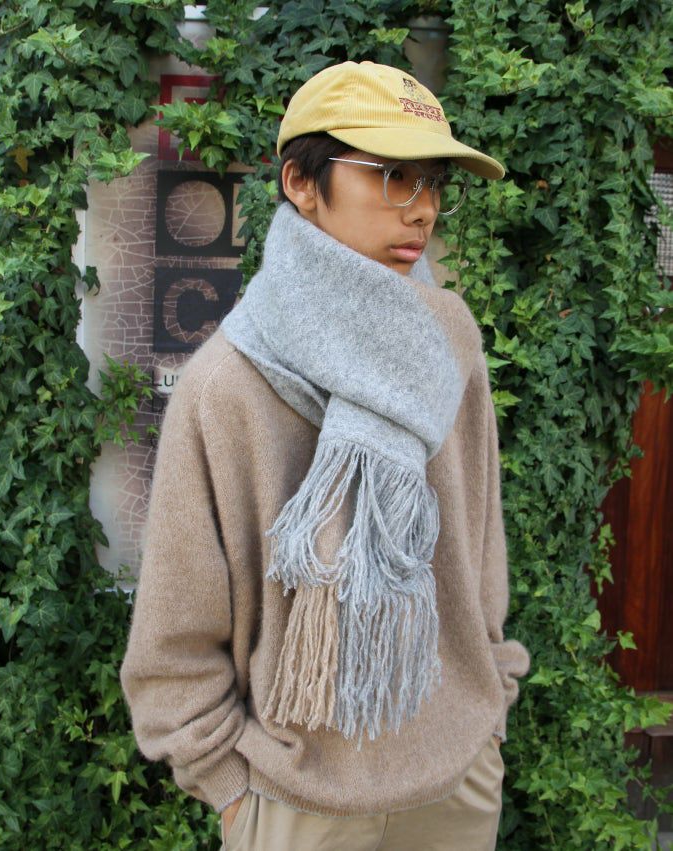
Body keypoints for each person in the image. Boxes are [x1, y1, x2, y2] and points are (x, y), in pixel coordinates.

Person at [120, 60, 531, 851]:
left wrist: (489, 704)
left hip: (454, 782)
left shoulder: (448, 339)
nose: (422, 208)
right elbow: (174, 635)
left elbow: (479, 546)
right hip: (293, 799)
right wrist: (232, 792)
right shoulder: (226, 382)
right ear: (301, 183)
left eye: (433, 182)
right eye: (392, 175)